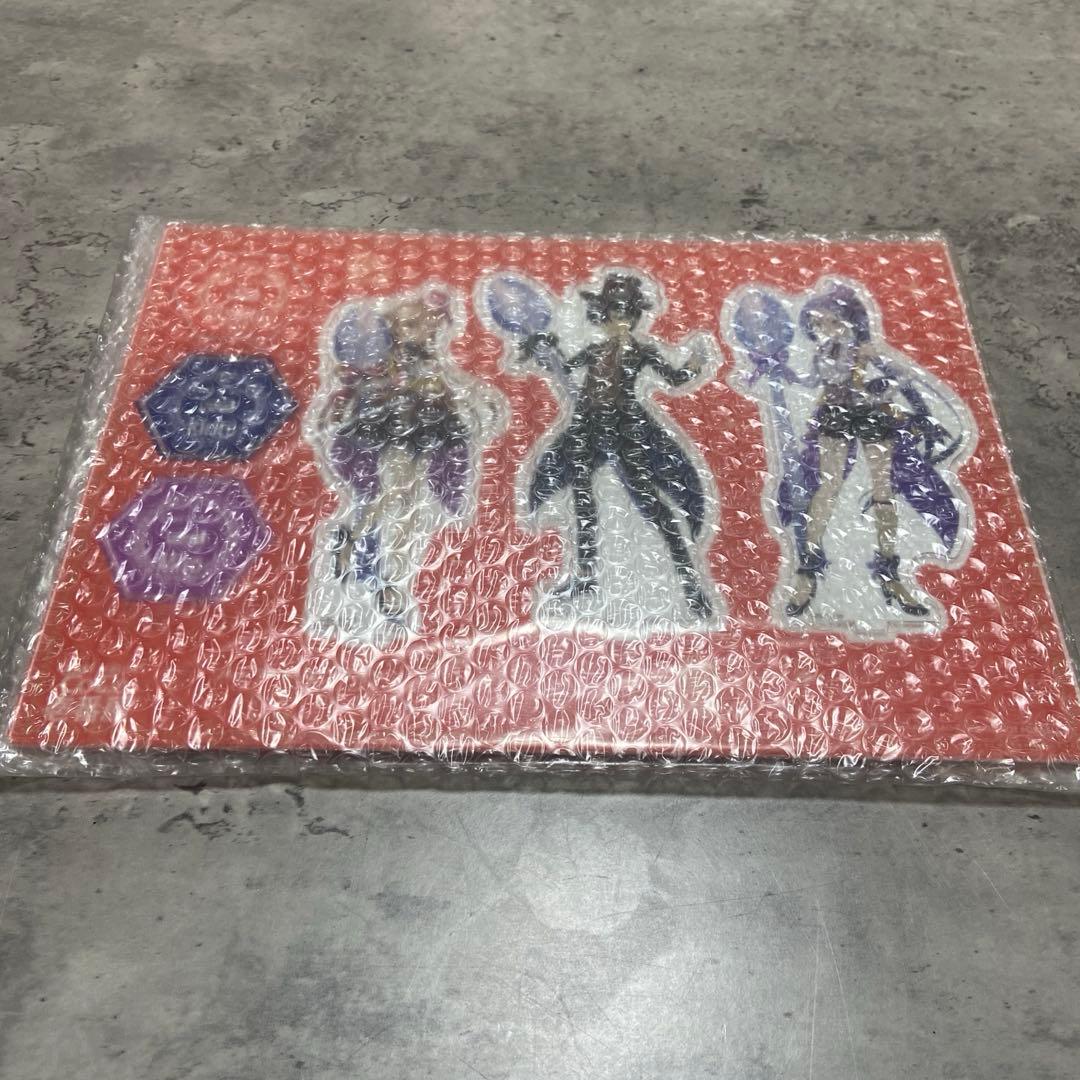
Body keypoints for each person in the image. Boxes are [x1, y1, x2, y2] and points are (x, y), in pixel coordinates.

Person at [521, 273, 713, 618]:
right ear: (604, 315)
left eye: (626, 313)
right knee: (582, 497)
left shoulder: (642, 351)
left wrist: (695, 363)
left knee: (652, 504)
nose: (620, 321)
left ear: (635, 316)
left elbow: (673, 378)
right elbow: (563, 367)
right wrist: (545, 349)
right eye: (613, 313)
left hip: (626, 428)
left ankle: (690, 583)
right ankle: (585, 575)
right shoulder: (595, 350)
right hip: (588, 425)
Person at [784, 283, 963, 618]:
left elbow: (904, 379)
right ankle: (807, 571)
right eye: (818, 324)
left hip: (870, 416)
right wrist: (787, 375)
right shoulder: (824, 352)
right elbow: (817, 382)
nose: (825, 329)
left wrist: (886, 394)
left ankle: (889, 573)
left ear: (850, 320)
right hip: (835, 415)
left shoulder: (864, 349)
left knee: (883, 492)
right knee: (827, 489)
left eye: (832, 321)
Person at [322, 289, 470, 619]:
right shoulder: (387, 359)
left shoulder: (425, 355)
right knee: (392, 494)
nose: (425, 329)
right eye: (413, 325)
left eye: (430, 323)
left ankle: (390, 572)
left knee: (409, 499)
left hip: (423, 424)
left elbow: (441, 383)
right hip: (392, 426)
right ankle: (364, 553)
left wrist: (459, 399)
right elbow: (368, 387)